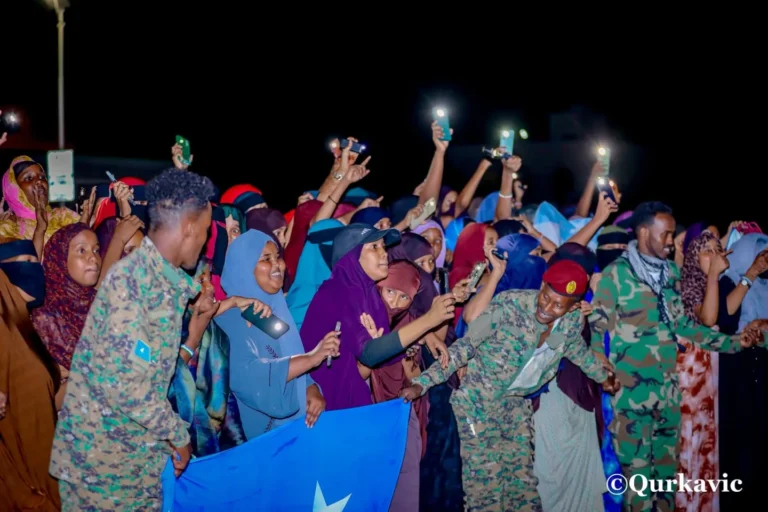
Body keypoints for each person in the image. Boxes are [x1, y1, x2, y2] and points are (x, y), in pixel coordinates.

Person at [49, 169, 217, 510]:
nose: (204, 240)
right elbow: (127, 385)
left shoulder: (161, 282)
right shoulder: (133, 284)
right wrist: (176, 433)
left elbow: (148, 376)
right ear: (187, 229)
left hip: (130, 461)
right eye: (204, 231)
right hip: (103, 474)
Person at [589, 202, 767, 512]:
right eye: (666, 234)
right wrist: (600, 367)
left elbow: (685, 326)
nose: (672, 242)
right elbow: (594, 331)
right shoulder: (616, 275)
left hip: (669, 399)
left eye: (672, 234)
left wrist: (737, 342)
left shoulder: (670, 273)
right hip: (632, 402)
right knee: (640, 492)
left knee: (667, 491)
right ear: (644, 232)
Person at [401, 260, 619, 511]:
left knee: (522, 486)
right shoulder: (508, 304)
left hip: (516, 406)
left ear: (574, 306)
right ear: (542, 285)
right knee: (486, 487)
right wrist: (422, 383)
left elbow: (578, 352)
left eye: (558, 305)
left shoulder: (570, 323)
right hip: (477, 403)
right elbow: (466, 345)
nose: (547, 307)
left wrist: (605, 378)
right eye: (545, 296)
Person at [215, 229, 338, 439]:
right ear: (245, 267)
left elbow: (288, 359)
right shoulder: (230, 318)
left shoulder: (275, 307)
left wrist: (310, 388)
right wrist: (311, 358)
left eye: (278, 257)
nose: (277, 265)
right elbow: (248, 379)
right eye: (265, 259)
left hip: (294, 434)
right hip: (257, 441)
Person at [0, 238, 61, 511]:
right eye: (26, 262)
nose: (36, 269)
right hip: (23, 490)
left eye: (37, 261)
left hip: (45, 472)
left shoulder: (23, 327)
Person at [678, 231, 728, 512]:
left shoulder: (716, 283)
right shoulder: (691, 282)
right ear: (693, 257)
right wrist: (712, 276)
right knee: (692, 445)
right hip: (691, 378)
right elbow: (708, 319)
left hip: (708, 376)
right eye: (706, 250)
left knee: (708, 444)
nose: (713, 255)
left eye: (717, 249)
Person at [30, 223, 102, 409]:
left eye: (96, 250)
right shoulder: (45, 317)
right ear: (61, 258)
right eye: (81, 250)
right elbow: (44, 401)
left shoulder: (103, 305)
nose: (93, 258)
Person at [0, 156, 82, 257]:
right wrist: (40, 229)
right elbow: (26, 268)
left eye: (42, 177)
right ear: (14, 189)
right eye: (28, 178)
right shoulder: (8, 228)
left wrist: (86, 221)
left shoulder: (64, 216)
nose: (39, 181)